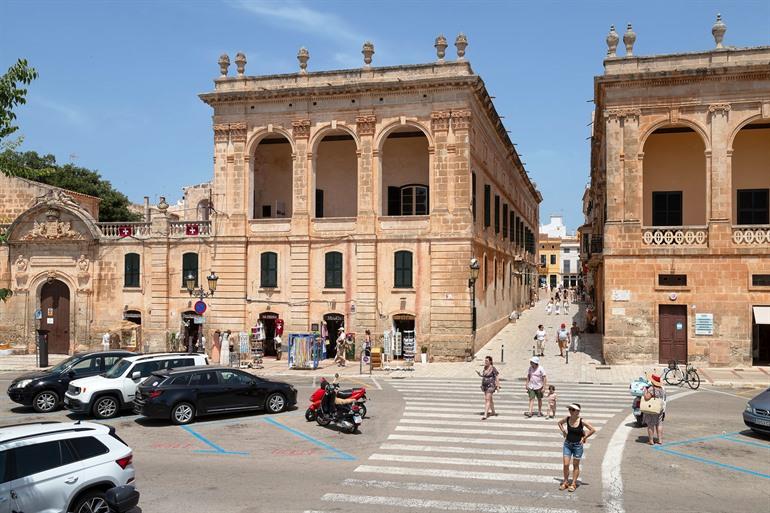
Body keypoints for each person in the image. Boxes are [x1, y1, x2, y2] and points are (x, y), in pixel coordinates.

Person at [558, 403, 596, 492]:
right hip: (567, 444)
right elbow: (559, 423)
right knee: (566, 464)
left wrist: (584, 437)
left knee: (575, 465)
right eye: (570, 409)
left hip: (577, 446)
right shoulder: (567, 419)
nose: (570, 411)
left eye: (572, 409)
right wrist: (564, 432)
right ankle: (566, 482)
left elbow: (593, 430)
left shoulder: (582, 421)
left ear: (577, 411)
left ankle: (574, 483)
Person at [643, 374, 667, 445]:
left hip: (652, 409)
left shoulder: (651, 389)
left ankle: (651, 441)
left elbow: (647, 398)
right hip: (660, 408)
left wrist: (645, 392)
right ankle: (660, 440)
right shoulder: (661, 389)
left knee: (650, 424)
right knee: (659, 424)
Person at [477, 356, 500, 420]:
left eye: (487, 361)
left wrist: (498, 386)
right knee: (490, 399)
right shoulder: (485, 367)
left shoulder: (493, 368)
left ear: (490, 361)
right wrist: (480, 375)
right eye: (485, 361)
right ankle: (493, 412)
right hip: (485, 386)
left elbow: (497, 376)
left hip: (491, 386)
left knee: (487, 399)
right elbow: (484, 376)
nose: (485, 362)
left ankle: (485, 415)